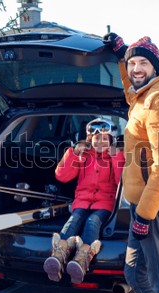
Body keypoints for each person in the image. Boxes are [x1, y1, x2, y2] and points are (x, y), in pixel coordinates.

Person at [103, 34, 159, 293]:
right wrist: (122, 57)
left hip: (155, 207)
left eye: (143, 63)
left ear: (155, 67)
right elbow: (131, 90)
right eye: (132, 63)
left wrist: (144, 216)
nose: (136, 69)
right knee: (133, 274)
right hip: (141, 204)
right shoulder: (143, 95)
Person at [43, 118, 125, 284]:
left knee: (92, 222)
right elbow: (61, 176)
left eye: (104, 139)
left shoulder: (115, 156)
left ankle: (81, 261)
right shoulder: (83, 156)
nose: (100, 142)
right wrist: (73, 152)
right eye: (96, 139)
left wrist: (116, 156)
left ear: (110, 141)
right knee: (73, 221)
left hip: (104, 203)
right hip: (82, 201)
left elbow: (121, 182)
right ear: (89, 140)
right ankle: (58, 258)